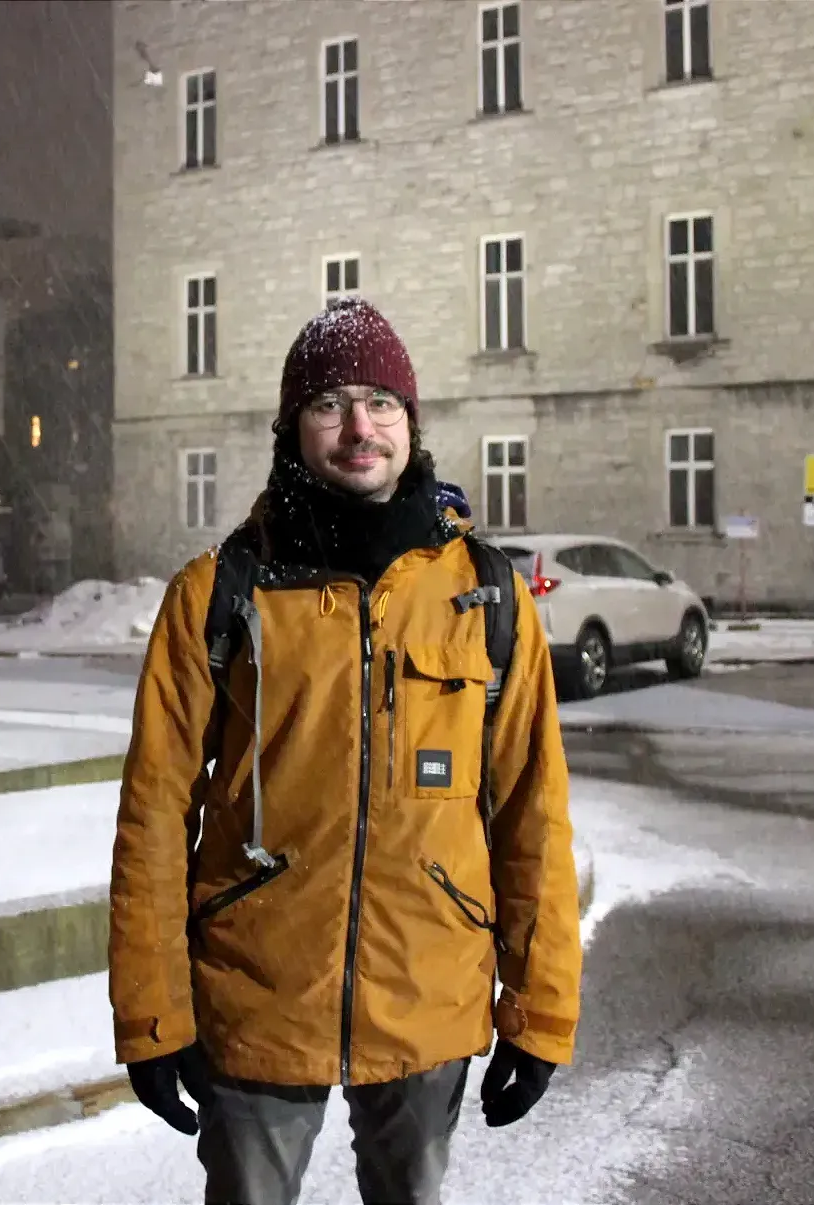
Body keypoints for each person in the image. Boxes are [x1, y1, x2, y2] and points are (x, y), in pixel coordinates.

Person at [109, 297, 582, 1205]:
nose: (358, 426)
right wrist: (152, 1012)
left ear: (411, 423)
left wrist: (538, 1010)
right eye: (330, 404)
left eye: (380, 402)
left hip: (427, 988)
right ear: (293, 428)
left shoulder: (485, 595)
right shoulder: (219, 591)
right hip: (255, 992)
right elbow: (153, 815)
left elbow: (532, 814)